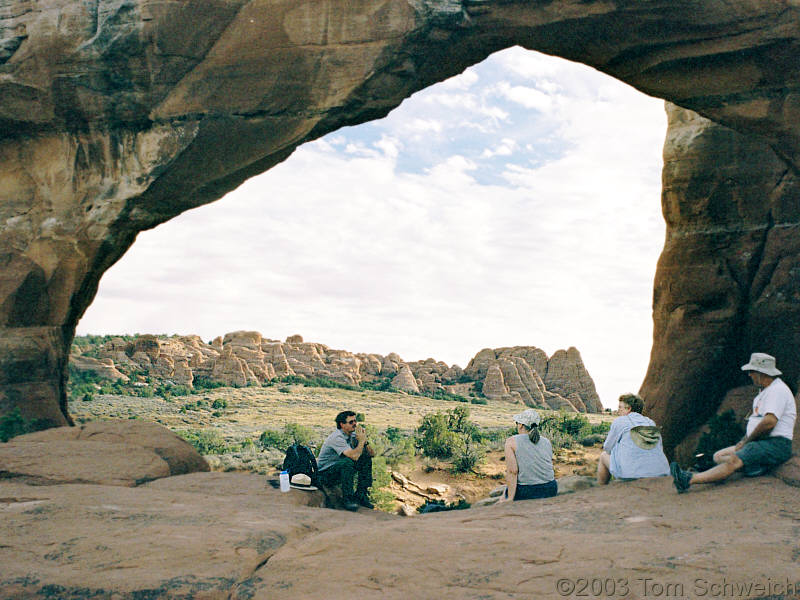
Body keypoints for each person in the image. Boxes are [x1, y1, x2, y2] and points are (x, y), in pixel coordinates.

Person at [671, 352, 797, 493]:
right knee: (718, 456)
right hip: (760, 442)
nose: (749, 375)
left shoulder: (777, 390)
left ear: (762, 372)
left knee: (733, 460)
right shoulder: (765, 392)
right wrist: (744, 441)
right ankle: (753, 466)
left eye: (752, 371)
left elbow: (769, 422)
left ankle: (689, 479)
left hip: (774, 444)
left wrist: (747, 441)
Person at [596, 393, 669, 484]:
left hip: (632, 475)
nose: (618, 411)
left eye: (620, 407)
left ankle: (602, 489)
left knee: (603, 456)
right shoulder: (650, 422)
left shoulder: (620, 421)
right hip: (660, 472)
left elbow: (607, 448)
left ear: (629, 408)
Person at [317, 410, 375, 511]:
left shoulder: (352, 435)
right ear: (342, 424)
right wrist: (361, 441)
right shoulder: (337, 437)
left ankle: (361, 495)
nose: (355, 424)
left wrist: (365, 442)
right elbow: (354, 457)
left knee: (366, 459)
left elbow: (371, 454)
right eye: (351, 422)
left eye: (355, 421)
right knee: (348, 462)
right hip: (325, 475)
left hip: (338, 470)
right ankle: (348, 499)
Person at [498, 409, 557, 502]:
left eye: (517, 423)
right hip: (551, 488)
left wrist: (509, 498)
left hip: (528, 491)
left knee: (504, 495)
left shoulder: (511, 441)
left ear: (521, 425)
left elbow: (512, 471)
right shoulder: (546, 441)